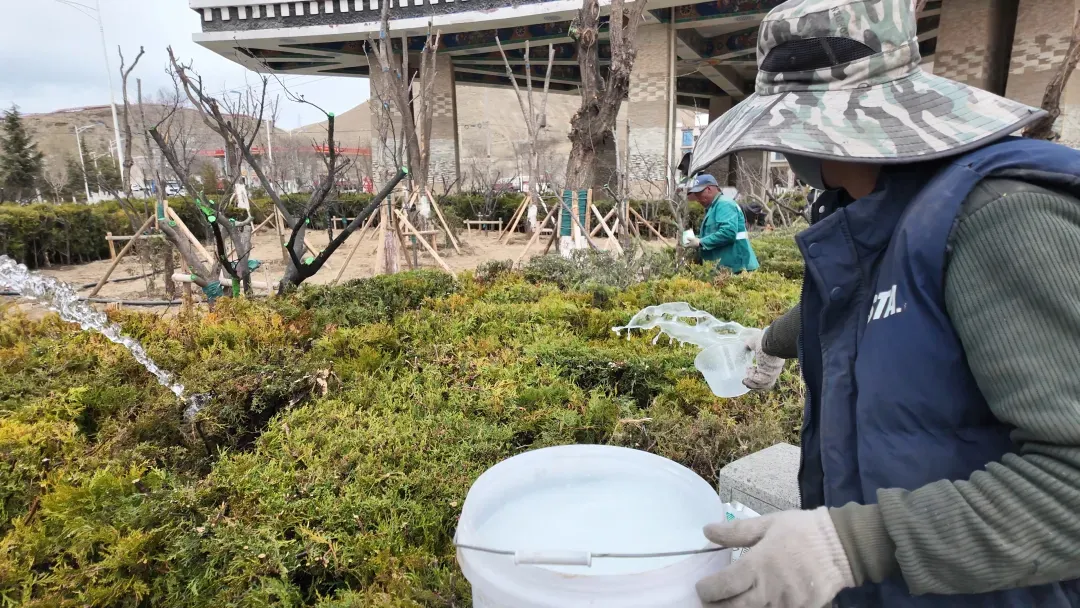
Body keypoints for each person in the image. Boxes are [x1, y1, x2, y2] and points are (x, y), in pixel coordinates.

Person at [686, 0, 1080, 606]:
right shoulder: (880, 207)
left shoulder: (1000, 218)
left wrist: (852, 545)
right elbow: (868, 305)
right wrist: (768, 342)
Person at [684, 174, 759, 273]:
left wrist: (700, 242)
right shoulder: (714, 207)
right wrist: (695, 239)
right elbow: (713, 233)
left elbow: (728, 233)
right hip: (730, 267)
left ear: (709, 189)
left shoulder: (724, 204)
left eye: (699, 194)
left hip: (737, 268)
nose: (697, 199)